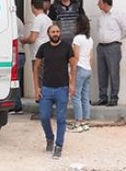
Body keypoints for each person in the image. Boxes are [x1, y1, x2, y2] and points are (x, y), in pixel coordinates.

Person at [34, 24, 77, 160]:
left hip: (62, 88)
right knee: (44, 117)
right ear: (48, 33)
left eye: (57, 31)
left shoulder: (66, 47)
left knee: (61, 119)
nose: (55, 34)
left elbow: (73, 66)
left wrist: (72, 84)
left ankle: (59, 146)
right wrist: (37, 87)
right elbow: (36, 67)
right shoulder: (43, 48)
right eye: (53, 31)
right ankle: (49, 137)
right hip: (46, 89)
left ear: (60, 33)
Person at [19, 0, 53, 119]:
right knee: (46, 83)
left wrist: (24, 40)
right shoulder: (48, 19)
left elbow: (33, 38)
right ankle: (47, 110)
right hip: (48, 54)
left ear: (33, 6)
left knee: (40, 84)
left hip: (39, 55)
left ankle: (43, 112)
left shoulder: (38, 19)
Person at [93, 0, 126, 107]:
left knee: (114, 73)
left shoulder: (117, 14)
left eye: (99, 2)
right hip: (101, 47)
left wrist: (117, 38)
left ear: (105, 3)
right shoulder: (100, 16)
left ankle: (113, 98)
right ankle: (103, 97)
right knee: (102, 73)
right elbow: (98, 29)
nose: (98, 4)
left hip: (113, 47)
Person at [71, 15, 93, 133]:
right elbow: (91, 57)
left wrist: (72, 72)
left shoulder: (77, 38)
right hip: (88, 68)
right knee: (85, 96)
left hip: (79, 68)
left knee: (76, 96)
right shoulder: (90, 39)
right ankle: (85, 121)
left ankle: (78, 122)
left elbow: (76, 57)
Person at [12, 17, 27, 114]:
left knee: (14, 82)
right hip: (20, 54)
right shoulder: (18, 20)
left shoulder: (12, 20)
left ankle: (16, 107)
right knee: (16, 81)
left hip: (15, 54)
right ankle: (17, 106)